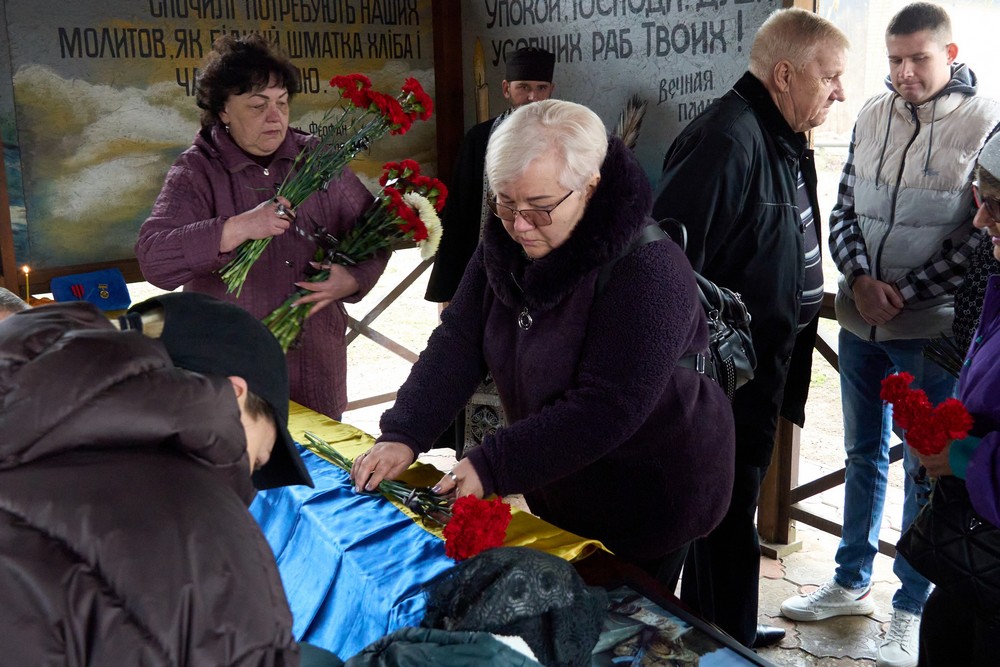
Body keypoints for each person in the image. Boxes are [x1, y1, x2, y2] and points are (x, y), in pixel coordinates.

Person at [352, 99, 736, 584]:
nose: (520, 226)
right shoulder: (505, 241)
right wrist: (403, 433)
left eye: (539, 208)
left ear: (591, 187)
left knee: (622, 625)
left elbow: (607, 406)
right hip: (565, 479)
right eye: (506, 204)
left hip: (652, 490)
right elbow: (458, 341)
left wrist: (494, 464)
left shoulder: (649, 268)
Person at [780, 5, 1000, 666]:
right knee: (861, 452)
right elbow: (842, 204)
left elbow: (975, 239)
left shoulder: (983, 121)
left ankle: (910, 606)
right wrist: (861, 275)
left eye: (918, 59)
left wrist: (903, 289)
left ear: (950, 52)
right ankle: (850, 580)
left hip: (926, 331)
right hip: (858, 319)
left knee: (925, 467)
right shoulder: (873, 113)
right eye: (895, 59)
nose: (904, 73)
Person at [650, 7, 849, 650]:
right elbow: (666, 267)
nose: (839, 90)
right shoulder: (728, 139)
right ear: (785, 74)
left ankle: (723, 625)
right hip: (719, 377)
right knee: (717, 504)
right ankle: (713, 637)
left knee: (732, 507)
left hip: (758, 366)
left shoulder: (781, 134)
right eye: (831, 76)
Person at [0, 291, 312, 664]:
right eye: (260, 457)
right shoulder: (199, 520)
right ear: (234, 392)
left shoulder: (24, 428)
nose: (249, 482)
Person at [136, 33, 388, 421]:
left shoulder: (316, 157)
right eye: (258, 106)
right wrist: (238, 227)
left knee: (317, 473)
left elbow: (377, 229)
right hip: (234, 372)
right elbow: (154, 260)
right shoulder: (197, 170)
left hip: (316, 366)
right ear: (222, 110)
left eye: (282, 103)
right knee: (241, 469)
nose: (276, 117)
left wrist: (352, 279)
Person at [424, 46, 556, 458]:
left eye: (541, 87)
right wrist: (448, 289)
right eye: (523, 88)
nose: (532, 97)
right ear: (506, 89)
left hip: (543, 282)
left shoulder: (564, 142)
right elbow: (460, 216)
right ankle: (480, 460)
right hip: (483, 280)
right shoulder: (480, 140)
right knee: (475, 360)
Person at [912, 131, 1000, 666]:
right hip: (977, 561)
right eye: (978, 197)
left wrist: (966, 458)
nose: (979, 220)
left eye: (995, 204)